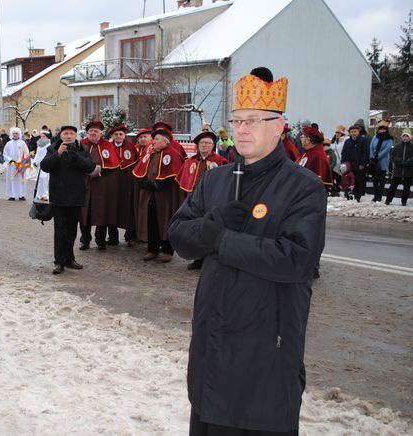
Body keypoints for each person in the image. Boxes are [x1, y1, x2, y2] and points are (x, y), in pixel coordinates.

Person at [168, 67, 326, 436]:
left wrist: (223, 240)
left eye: (253, 120)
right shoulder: (216, 179)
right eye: (237, 120)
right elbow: (179, 236)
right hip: (212, 340)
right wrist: (210, 227)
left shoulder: (304, 187)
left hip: (264, 347)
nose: (241, 129)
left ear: (278, 126)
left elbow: (297, 260)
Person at [40, 125, 96, 274]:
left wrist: (76, 157)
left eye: (72, 133)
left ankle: (69, 259)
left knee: (71, 230)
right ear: (61, 135)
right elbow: (44, 166)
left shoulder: (82, 149)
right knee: (60, 230)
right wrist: (57, 154)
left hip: (76, 197)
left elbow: (90, 167)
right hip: (58, 197)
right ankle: (59, 262)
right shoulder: (52, 148)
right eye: (66, 133)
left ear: (76, 135)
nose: (69, 136)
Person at [175, 130, 227, 270]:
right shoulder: (190, 162)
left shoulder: (220, 162)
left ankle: (209, 259)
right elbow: (183, 180)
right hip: (194, 201)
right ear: (197, 145)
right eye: (202, 143)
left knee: (210, 229)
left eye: (208, 143)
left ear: (213, 145)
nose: (204, 145)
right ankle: (197, 259)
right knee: (195, 229)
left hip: (212, 201)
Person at [133, 128, 184, 263]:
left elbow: (173, 175)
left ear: (165, 141)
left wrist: (157, 185)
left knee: (165, 220)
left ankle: (168, 250)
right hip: (150, 194)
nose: (153, 141)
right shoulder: (151, 153)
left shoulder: (172, 154)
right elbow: (140, 168)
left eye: (156, 139)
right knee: (151, 220)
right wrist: (142, 182)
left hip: (165, 195)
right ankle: (152, 249)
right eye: (153, 139)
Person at [79, 120, 121, 250]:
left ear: (100, 133)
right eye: (91, 131)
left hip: (102, 185)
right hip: (84, 184)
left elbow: (114, 164)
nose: (93, 133)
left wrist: (100, 170)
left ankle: (100, 240)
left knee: (101, 213)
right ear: (87, 133)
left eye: (95, 131)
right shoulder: (81, 144)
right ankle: (85, 240)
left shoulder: (108, 145)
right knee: (84, 213)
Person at [110, 125, 139, 246]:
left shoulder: (131, 147)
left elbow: (136, 164)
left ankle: (130, 236)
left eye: (120, 134)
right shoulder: (108, 147)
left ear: (124, 136)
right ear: (112, 136)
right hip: (112, 183)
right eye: (116, 134)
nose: (118, 136)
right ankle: (112, 237)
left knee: (129, 209)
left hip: (128, 182)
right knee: (112, 209)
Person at [298, 125, 333, 192]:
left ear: (308, 140)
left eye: (303, 136)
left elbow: (316, 182)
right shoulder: (308, 152)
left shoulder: (318, 156)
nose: (300, 137)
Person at [341, 124, 369, 202]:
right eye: (352, 132)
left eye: (355, 131)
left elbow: (365, 153)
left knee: (358, 181)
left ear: (358, 132)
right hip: (349, 165)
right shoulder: (347, 141)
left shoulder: (363, 140)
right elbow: (344, 153)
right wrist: (343, 163)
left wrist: (362, 164)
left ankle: (358, 196)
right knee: (348, 181)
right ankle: (348, 195)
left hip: (359, 165)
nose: (353, 133)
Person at [385, 129, 412, 206]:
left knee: (406, 188)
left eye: (407, 136)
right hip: (398, 170)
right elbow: (392, 156)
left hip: (408, 171)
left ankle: (404, 201)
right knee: (393, 186)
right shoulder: (397, 146)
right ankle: (388, 200)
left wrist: (407, 162)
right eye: (404, 136)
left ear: (410, 137)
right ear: (402, 137)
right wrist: (399, 161)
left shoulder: (412, 147)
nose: (405, 138)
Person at [368, 120, 393, 202]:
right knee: (375, 180)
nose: (381, 130)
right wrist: (372, 156)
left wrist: (378, 156)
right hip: (374, 161)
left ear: (386, 130)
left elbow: (387, 149)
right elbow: (371, 147)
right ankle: (375, 195)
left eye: (383, 129)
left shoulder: (389, 139)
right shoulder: (375, 137)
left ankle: (380, 195)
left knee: (381, 180)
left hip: (383, 160)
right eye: (380, 129)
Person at [3, 127, 30, 201]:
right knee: (12, 179)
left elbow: (26, 153)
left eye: (16, 133)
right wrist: (10, 160)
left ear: (19, 134)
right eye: (13, 133)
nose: (15, 135)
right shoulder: (8, 144)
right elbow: (5, 154)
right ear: (11, 134)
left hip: (21, 165)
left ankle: (21, 195)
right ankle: (12, 195)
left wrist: (23, 161)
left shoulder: (22, 143)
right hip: (12, 165)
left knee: (21, 179)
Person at [32, 130, 52, 200]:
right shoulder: (39, 145)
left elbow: (46, 155)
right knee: (40, 179)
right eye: (41, 136)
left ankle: (45, 194)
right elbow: (37, 155)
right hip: (38, 166)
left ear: (47, 137)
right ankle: (39, 194)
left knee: (44, 179)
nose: (42, 138)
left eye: (44, 136)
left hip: (45, 165)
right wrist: (35, 162)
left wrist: (41, 162)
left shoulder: (49, 145)